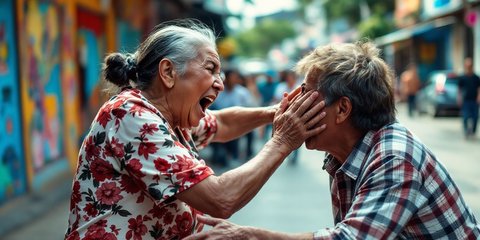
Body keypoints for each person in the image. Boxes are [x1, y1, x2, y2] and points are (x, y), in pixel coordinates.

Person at [184, 41, 480, 239]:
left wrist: (247, 235)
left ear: (342, 109)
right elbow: (219, 124)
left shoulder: (394, 155)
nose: (295, 103)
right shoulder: (344, 154)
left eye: (306, 96)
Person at [64, 19, 327, 240]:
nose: (220, 84)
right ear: (168, 72)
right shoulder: (131, 115)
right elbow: (221, 198)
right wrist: (282, 141)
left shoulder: (173, 118)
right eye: (210, 68)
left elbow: (222, 123)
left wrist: (276, 113)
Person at [209, 69, 253, 166]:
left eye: (235, 78)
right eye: (231, 78)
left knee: (250, 132)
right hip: (221, 121)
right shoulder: (219, 92)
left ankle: (244, 154)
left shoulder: (242, 92)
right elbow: (213, 107)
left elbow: (249, 107)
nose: (233, 80)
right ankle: (218, 154)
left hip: (239, 122)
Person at [457, 57, 480, 139]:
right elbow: (459, 89)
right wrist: (459, 98)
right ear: (465, 66)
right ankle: (466, 131)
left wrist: (478, 97)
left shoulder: (476, 77)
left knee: (475, 117)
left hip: (474, 100)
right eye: (467, 65)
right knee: (465, 117)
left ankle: (473, 132)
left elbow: (478, 88)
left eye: (470, 65)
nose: (469, 67)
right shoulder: (462, 77)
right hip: (466, 100)